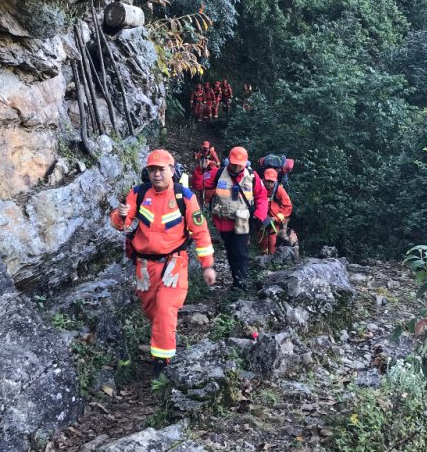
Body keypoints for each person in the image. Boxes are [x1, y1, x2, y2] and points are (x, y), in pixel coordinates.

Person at [111, 149, 216, 376]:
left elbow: (200, 231)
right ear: (146, 171)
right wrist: (120, 214)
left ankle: (162, 366)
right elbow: (121, 224)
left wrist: (207, 265)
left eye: (161, 169)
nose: (157, 174)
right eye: (152, 169)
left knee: (165, 310)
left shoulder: (184, 197)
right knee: (153, 311)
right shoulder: (138, 194)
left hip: (174, 264)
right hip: (144, 267)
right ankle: (163, 340)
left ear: (172, 170)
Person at [202, 146, 269, 290]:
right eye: (234, 163)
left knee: (240, 252)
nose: (237, 166)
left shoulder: (252, 176)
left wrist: (259, 216)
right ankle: (236, 279)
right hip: (223, 222)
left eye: (240, 164)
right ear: (229, 160)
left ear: (245, 163)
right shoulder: (218, 173)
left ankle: (241, 283)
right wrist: (199, 168)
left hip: (242, 221)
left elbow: (262, 197)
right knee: (231, 251)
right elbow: (199, 183)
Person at [259, 168, 293, 255]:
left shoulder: (279, 190)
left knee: (272, 238)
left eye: (272, 182)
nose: (269, 184)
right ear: (263, 179)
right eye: (267, 181)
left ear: (276, 181)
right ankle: (263, 255)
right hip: (261, 216)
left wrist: (276, 218)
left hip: (275, 218)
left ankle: (272, 258)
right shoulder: (258, 187)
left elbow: (288, 207)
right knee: (261, 237)